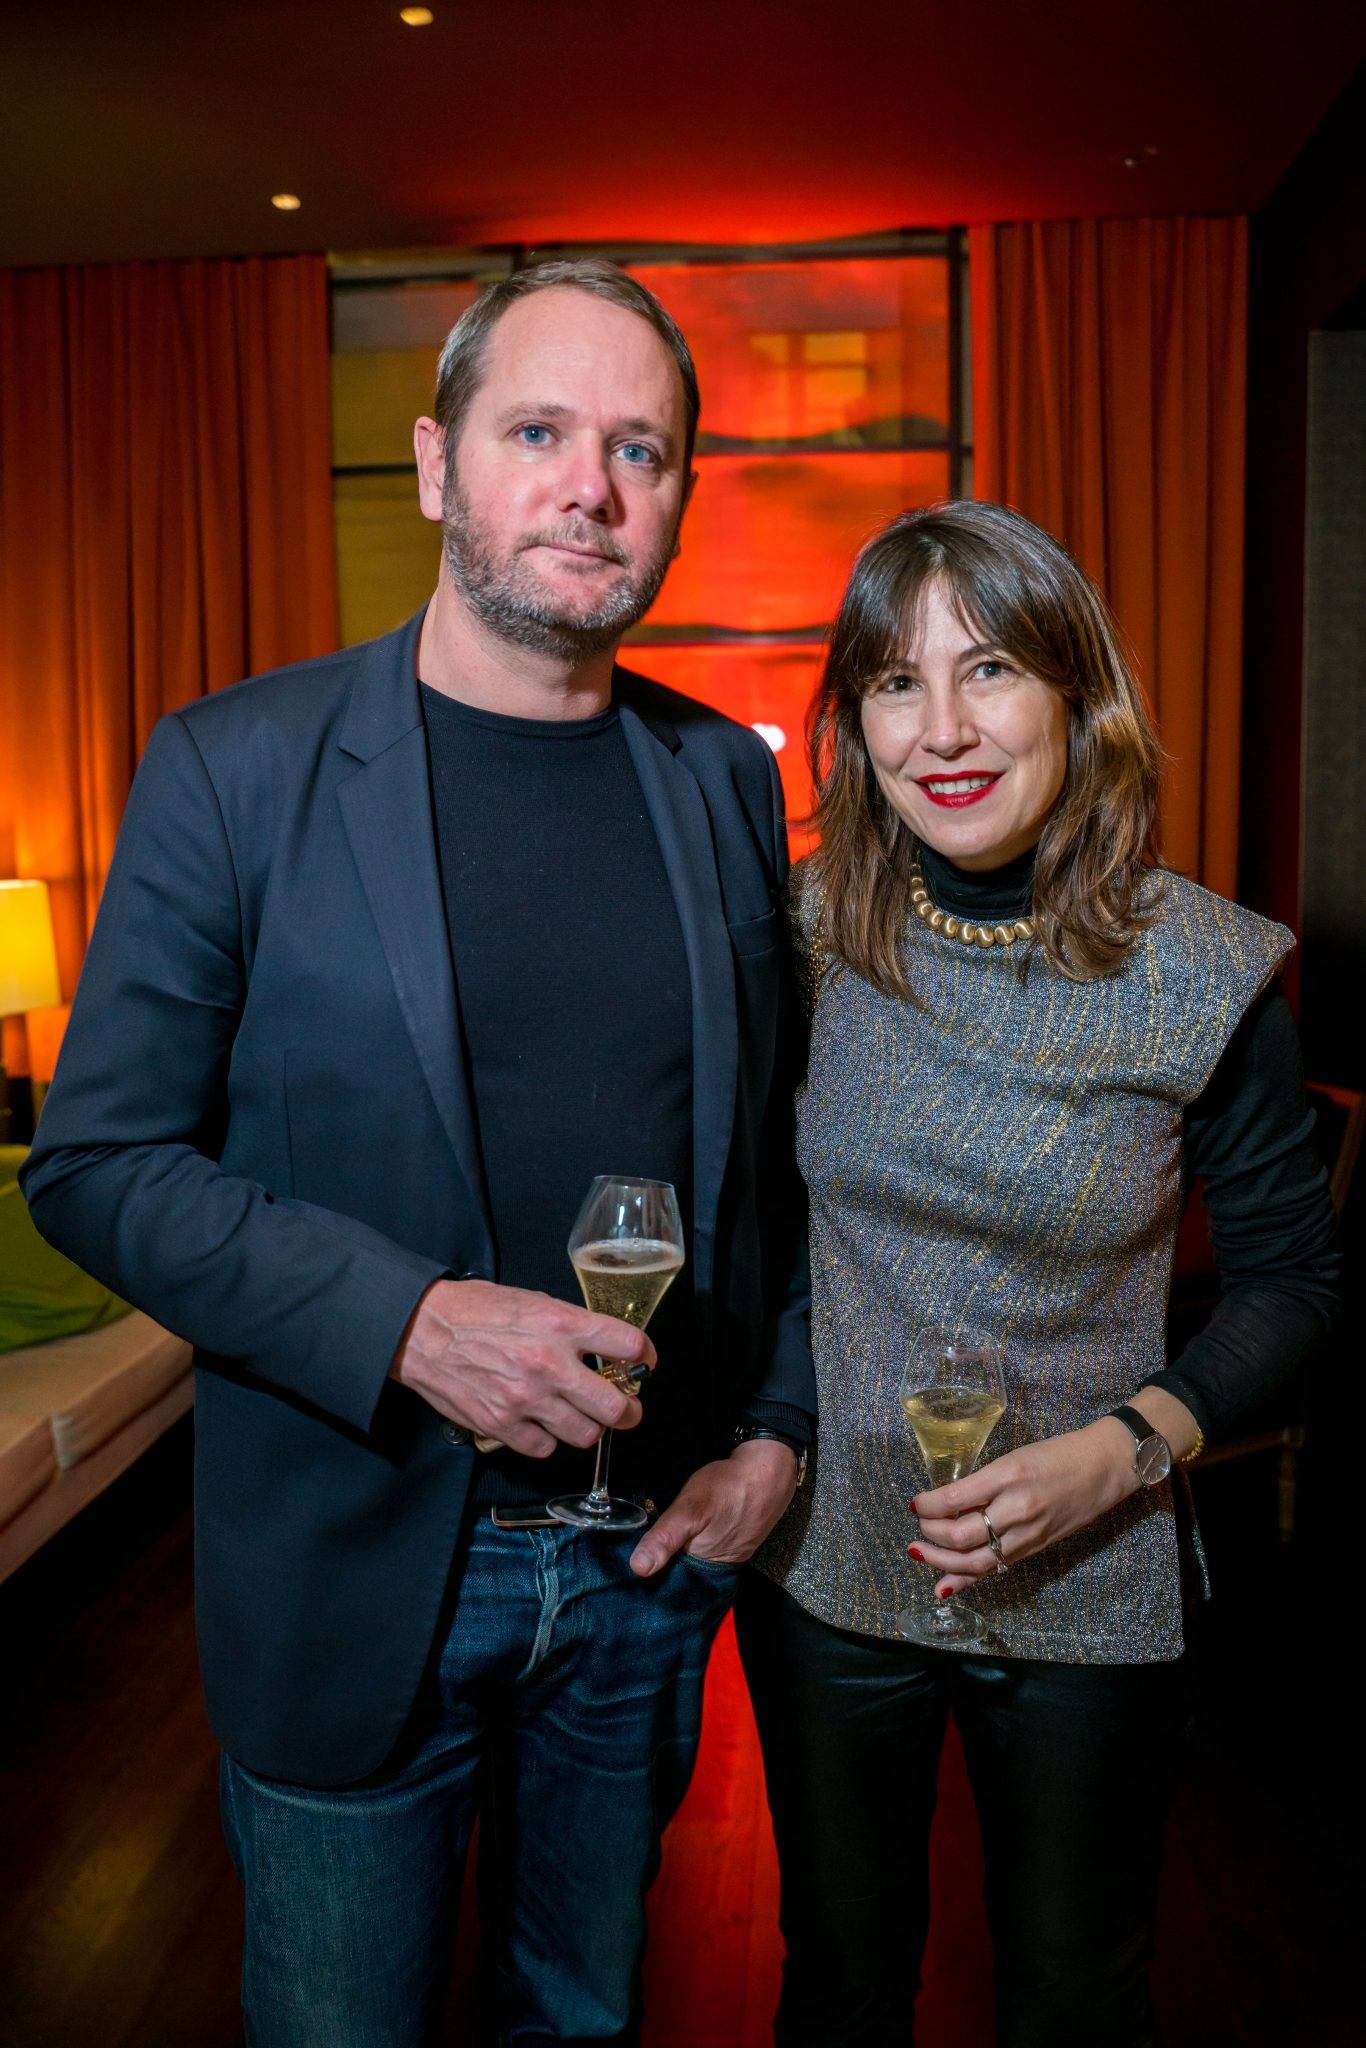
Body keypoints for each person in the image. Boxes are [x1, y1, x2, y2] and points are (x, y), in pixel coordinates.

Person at [21, 258, 814, 2047]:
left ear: (677, 494)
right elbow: (98, 1160)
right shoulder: (235, 768)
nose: (590, 485)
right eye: (538, 432)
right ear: (438, 462)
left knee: (582, 2017)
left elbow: (776, 1156)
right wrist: (404, 1322)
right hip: (357, 1564)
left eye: (639, 449)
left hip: (643, 1570)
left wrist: (776, 1428)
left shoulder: (719, 777)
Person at [735, 500, 1338, 2047]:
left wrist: (1126, 1450)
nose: (941, 729)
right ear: (854, 722)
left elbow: (1295, 1284)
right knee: (839, 1985)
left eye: (988, 669)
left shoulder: (1205, 971)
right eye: (894, 681)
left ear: (1076, 694)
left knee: (1074, 1997)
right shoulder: (801, 937)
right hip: (830, 1569)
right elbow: (751, 1229)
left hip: (1089, 1580)